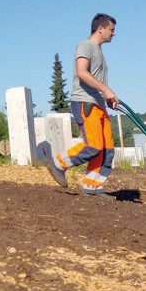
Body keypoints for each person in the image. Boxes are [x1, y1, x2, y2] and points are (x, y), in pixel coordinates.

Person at [36, 14, 118, 198]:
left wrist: (107, 97)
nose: (114, 34)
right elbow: (81, 72)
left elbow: (95, 80)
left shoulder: (98, 51)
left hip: (98, 104)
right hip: (85, 102)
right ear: (100, 29)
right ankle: (58, 164)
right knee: (93, 146)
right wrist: (106, 89)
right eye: (112, 30)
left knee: (107, 150)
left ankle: (92, 187)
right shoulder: (85, 46)